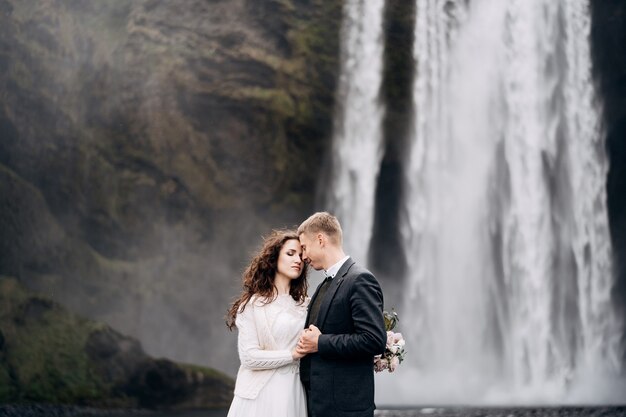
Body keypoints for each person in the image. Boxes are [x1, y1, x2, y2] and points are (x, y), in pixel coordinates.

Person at [296, 212, 387, 417]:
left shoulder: (360, 280)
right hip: (320, 405)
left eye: (304, 247)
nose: (303, 256)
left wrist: (321, 342)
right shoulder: (322, 285)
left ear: (320, 239)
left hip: (345, 409)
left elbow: (374, 340)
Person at [225, 230, 309, 417]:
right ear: (274, 258)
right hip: (259, 394)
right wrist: (292, 354)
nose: (298, 260)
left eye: (301, 255)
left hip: (294, 390)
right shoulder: (253, 305)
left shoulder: (306, 305)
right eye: (290, 253)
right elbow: (249, 357)